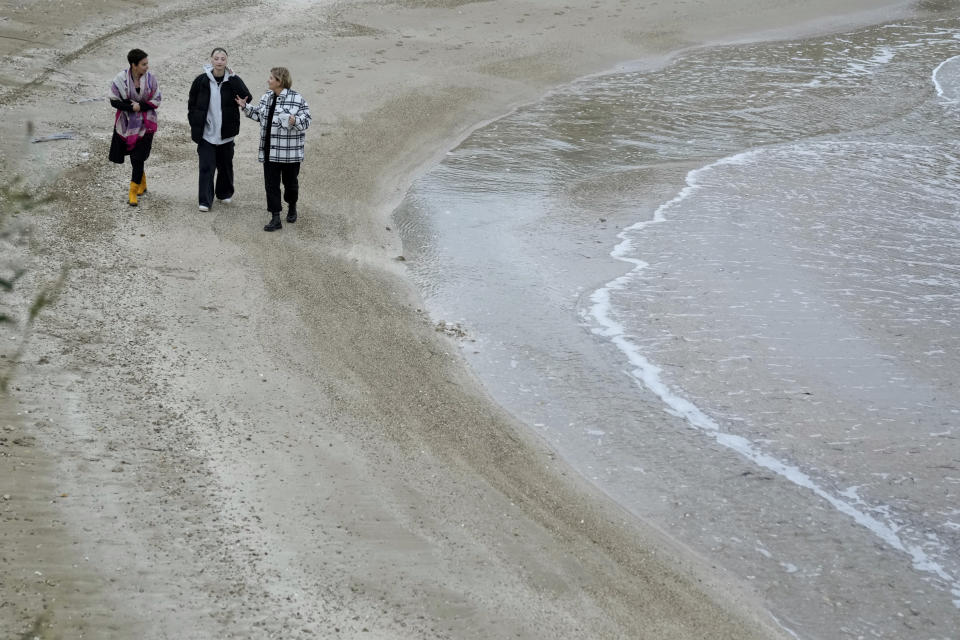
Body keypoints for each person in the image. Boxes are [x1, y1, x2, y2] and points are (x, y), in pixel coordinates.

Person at [236, 66, 311, 231]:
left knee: (290, 184)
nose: (268, 80)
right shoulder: (266, 97)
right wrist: (245, 106)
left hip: (290, 153)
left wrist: (293, 121)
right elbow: (259, 115)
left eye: (271, 78)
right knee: (271, 185)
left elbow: (306, 120)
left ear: (280, 81)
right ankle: (275, 217)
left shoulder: (297, 99)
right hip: (269, 151)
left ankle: (292, 206)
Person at [187, 48, 252, 212]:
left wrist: (234, 77)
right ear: (211, 60)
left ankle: (224, 194)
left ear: (226, 61)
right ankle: (205, 201)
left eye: (223, 58)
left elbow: (247, 97)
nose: (219, 61)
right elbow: (192, 104)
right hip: (206, 133)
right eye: (216, 58)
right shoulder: (201, 81)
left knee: (225, 165)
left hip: (226, 133)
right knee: (206, 167)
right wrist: (194, 122)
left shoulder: (232, 81)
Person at [109, 48, 161, 207]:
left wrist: (141, 106)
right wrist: (132, 108)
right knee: (134, 156)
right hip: (126, 124)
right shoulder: (120, 79)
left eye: (147, 63)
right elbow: (113, 100)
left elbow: (157, 99)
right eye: (144, 64)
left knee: (138, 157)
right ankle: (141, 183)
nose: (147, 67)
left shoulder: (151, 79)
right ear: (134, 65)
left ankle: (133, 191)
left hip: (146, 124)